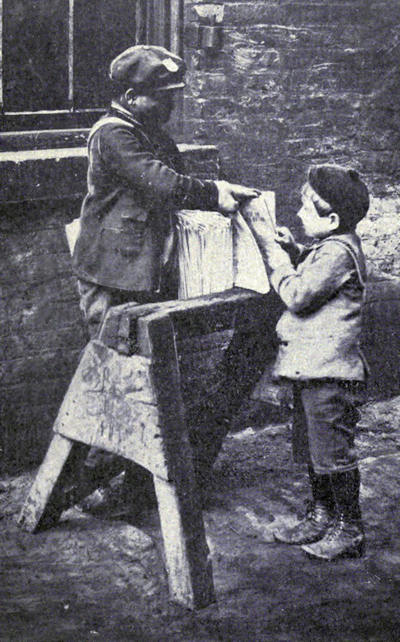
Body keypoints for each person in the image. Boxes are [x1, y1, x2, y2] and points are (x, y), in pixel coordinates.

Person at [71, 44, 258, 516]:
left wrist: (218, 194)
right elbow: (162, 182)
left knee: (145, 377)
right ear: (131, 97)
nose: (171, 104)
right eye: (162, 96)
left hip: (145, 272)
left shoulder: (149, 132)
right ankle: (94, 478)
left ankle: (131, 482)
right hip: (112, 274)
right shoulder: (114, 135)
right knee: (117, 374)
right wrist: (214, 193)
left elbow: (176, 180)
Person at [241, 164, 370, 561]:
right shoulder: (331, 245)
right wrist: (295, 250)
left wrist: (276, 259)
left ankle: (349, 529)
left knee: (333, 453)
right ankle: (321, 515)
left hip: (330, 375)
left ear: (331, 220)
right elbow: (318, 271)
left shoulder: (338, 252)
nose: (297, 213)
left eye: (306, 208)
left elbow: (299, 295)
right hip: (312, 371)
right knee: (316, 449)